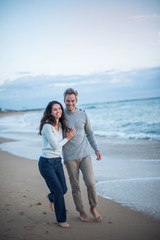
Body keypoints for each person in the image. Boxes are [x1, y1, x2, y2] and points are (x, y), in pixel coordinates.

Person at [63, 88, 102, 223]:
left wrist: (96, 149)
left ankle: (93, 208)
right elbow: (53, 131)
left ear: (76, 101)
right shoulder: (61, 115)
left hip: (85, 154)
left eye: (72, 101)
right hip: (69, 157)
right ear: (64, 101)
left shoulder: (83, 114)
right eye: (68, 101)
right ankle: (81, 211)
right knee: (75, 186)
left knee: (91, 183)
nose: (70, 103)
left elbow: (90, 133)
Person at [38, 101, 76, 229]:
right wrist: (68, 138)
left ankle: (50, 197)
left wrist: (69, 134)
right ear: (50, 112)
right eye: (55, 109)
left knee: (63, 189)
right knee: (59, 191)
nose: (58, 111)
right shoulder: (47, 126)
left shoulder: (60, 124)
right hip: (46, 163)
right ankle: (61, 220)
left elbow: (61, 143)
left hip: (57, 162)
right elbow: (55, 146)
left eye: (59, 108)